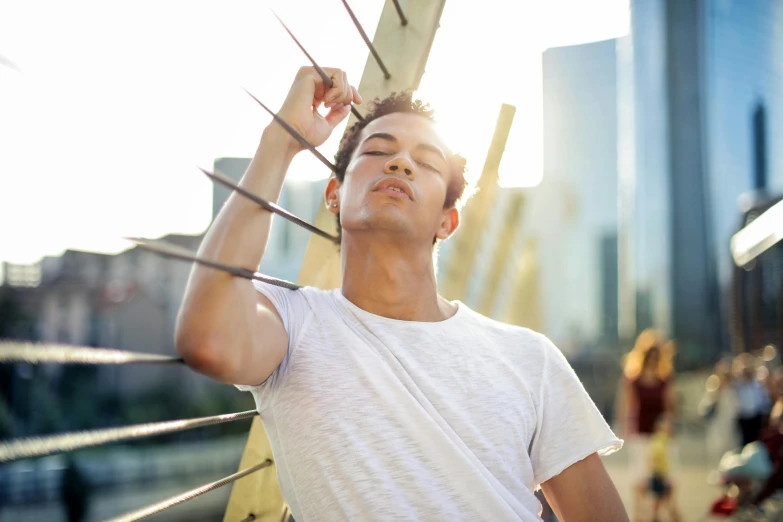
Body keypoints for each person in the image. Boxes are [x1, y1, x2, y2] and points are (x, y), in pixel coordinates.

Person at [176, 66, 627, 521]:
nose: (400, 163)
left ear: (447, 222)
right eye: (377, 151)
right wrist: (281, 138)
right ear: (334, 193)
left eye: (426, 162)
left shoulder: (531, 358)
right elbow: (208, 341)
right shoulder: (294, 326)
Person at [617, 329, 681, 522]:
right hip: (640, 435)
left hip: (661, 437)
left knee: (667, 478)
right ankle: (639, 516)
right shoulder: (633, 381)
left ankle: (658, 514)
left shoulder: (665, 381)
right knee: (640, 479)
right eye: (650, 357)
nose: (653, 360)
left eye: (656, 357)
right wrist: (623, 430)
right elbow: (625, 408)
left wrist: (668, 423)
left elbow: (670, 408)